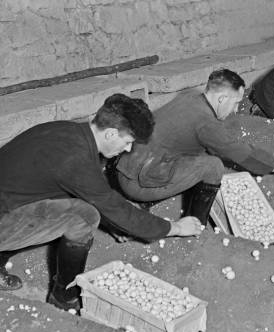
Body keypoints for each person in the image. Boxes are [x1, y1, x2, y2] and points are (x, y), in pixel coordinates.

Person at [0, 94, 202, 308]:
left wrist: (112, 223)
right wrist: (175, 227)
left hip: (9, 202)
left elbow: (84, 190)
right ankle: (64, 297)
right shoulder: (74, 159)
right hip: (5, 215)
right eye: (127, 142)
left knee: (83, 207)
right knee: (84, 218)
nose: (127, 149)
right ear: (111, 133)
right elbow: (112, 206)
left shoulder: (67, 131)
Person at [113, 69, 274, 227]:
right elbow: (247, 155)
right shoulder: (206, 124)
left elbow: (197, 144)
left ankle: (145, 201)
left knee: (203, 155)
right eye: (236, 102)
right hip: (136, 183)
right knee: (213, 166)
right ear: (222, 99)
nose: (236, 110)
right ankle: (196, 224)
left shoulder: (191, 97)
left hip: (126, 165)